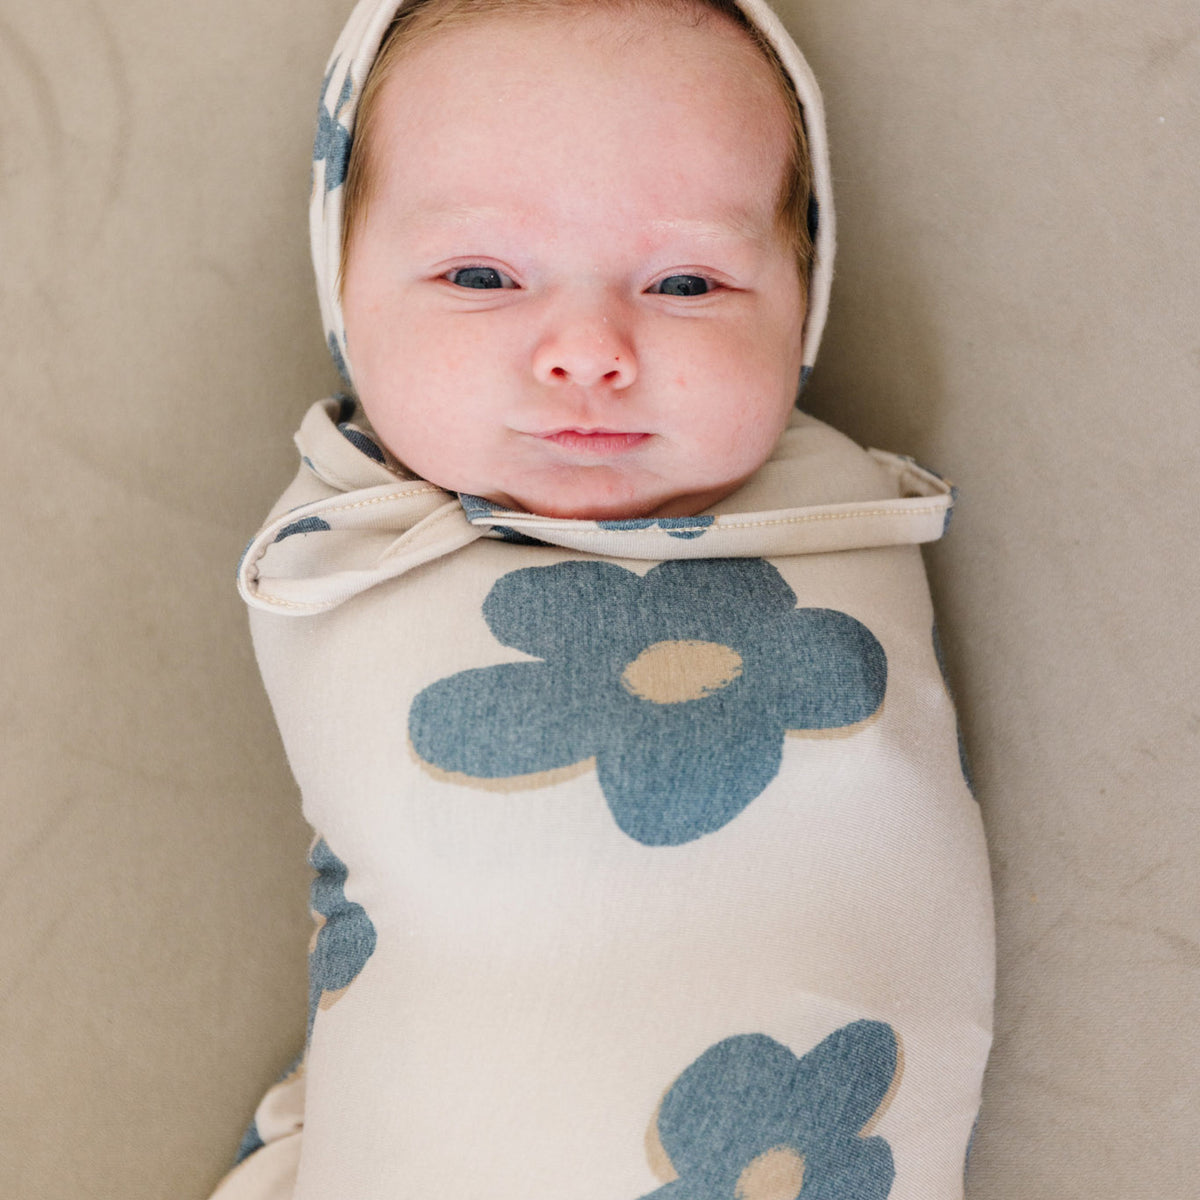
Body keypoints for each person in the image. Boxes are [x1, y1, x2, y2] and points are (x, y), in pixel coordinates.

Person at [216, 0, 993, 1195]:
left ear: (801, 308)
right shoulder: (344, 549)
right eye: (481, 273)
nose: (589, 347)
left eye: (688, 281)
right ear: (346, 299)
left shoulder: (837, 515)